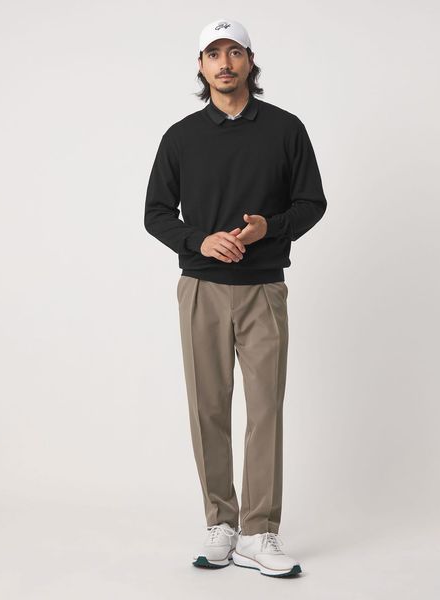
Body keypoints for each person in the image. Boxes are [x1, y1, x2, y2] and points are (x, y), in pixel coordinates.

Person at [144, 18, 327, 577]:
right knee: (208, 407)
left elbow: (311, 203)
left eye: (234, 52)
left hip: (263, 289)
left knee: (265, 409)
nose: (224, 63)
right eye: (213, 54)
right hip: (201, 288)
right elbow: (156, 214)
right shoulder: (180, 137)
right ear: (201, 66)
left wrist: (268, 228)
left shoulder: (285, 129)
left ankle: (258, 531)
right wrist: (199, 239)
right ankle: (220, 523)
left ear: (250, 61)